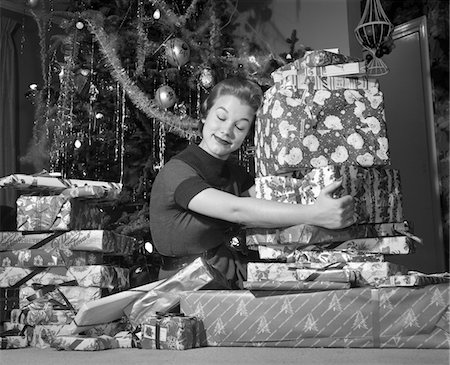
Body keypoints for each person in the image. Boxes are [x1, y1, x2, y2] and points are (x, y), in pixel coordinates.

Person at [149, 77, 355, 288]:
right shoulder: (177, 172)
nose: (227, 131)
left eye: (240, 127)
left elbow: (272, 202)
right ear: (204, 115)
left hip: (231, 281)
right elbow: (236, 210)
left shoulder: (235, 174)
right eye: (220, 117)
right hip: (183, 290)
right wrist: (316, 213)